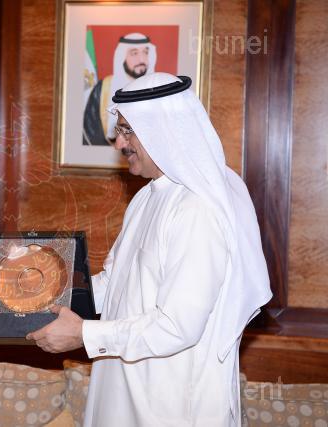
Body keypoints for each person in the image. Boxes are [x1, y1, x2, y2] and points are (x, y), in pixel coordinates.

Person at [29, 73, 272, 426]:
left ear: (163, 130)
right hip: (123, 387)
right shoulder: (146, 197)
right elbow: (116, 282)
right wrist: (45, 295)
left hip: (171, 404)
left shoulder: (197, 210)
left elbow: (177, 326)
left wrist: (84, 334)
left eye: (128, 130)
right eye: (120, 130)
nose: (119, 143)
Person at [83, 33, 156, 146]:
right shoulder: (103, 89)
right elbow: (90, 133)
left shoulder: (159, 89)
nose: (142, 59)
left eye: (145, 52)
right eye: (134, 53)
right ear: (121, 57)